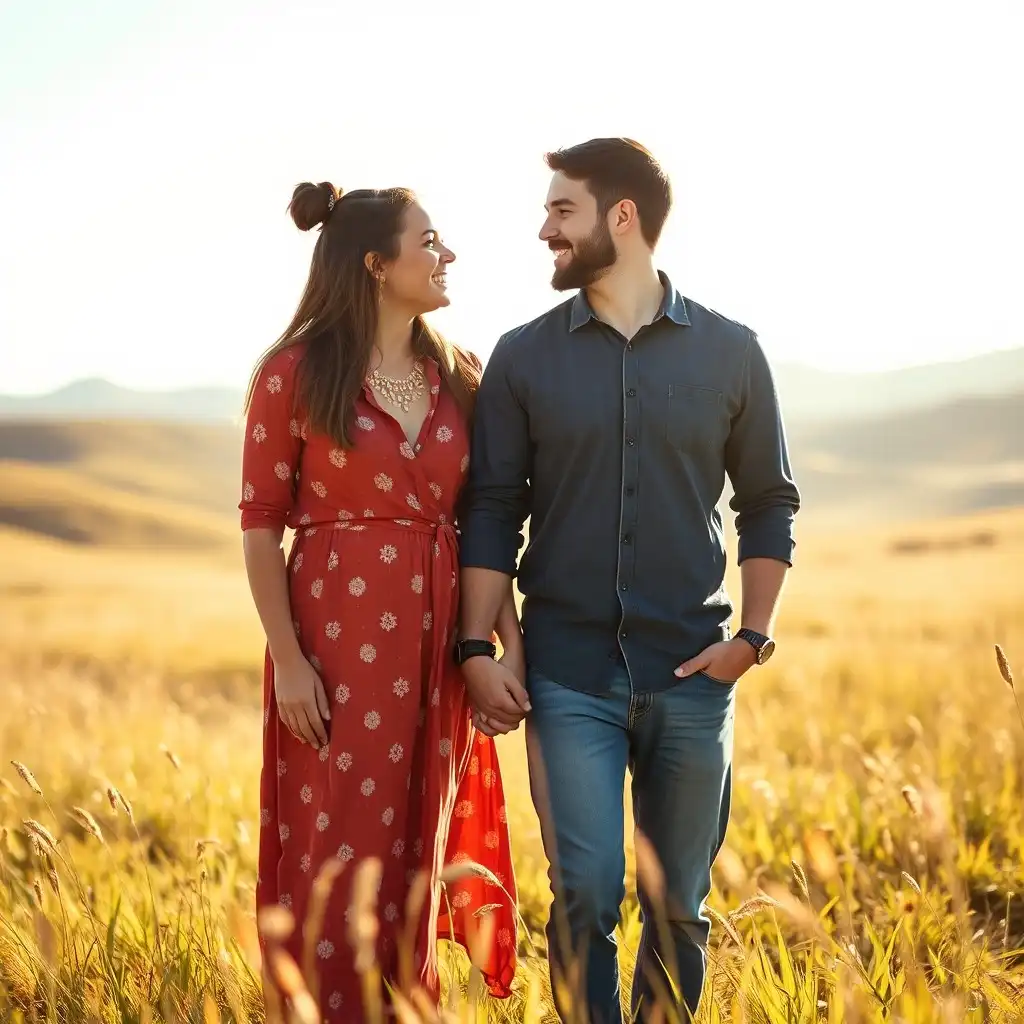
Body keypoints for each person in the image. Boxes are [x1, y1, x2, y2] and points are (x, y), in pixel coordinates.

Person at [457, 139, 801, 1022]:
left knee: (678, 907)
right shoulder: (523, 358)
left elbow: (768, 502)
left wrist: (751, 639)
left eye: (560, 211)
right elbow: (494, 508)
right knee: (583, 895)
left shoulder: (732, 352)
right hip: (569, 678)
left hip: (693, 674)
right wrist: (472, 645)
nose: (544, 231)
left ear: (623, 218)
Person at [239, 181, 521, 1021]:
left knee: (417, 845)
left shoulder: (457, 371)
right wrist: (290, 661)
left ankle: (406, 1006)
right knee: (339, 842)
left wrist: (503, 643)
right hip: (334, 637)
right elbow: (259, 524)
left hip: (438, 641)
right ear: (375, 264)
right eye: (429, 241)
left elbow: (485, 520)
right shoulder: (293, 373)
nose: (447, 255)